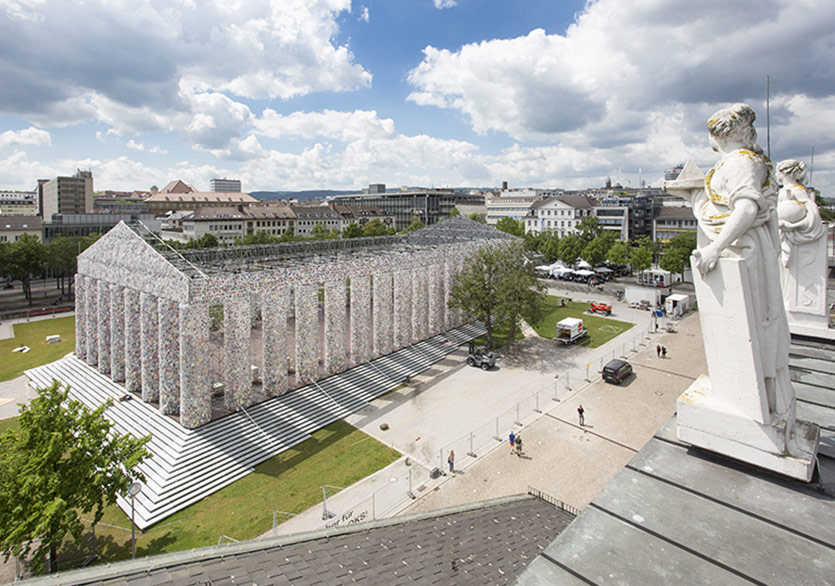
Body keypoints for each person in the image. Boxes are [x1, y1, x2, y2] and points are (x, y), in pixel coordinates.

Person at [690, 103, 794, 423]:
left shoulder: (740, 163)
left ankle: (753, 396)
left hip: (741, 254)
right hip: (740, 251)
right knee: (747, 326)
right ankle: (752, 391)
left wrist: (714, 249)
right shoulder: (742, 161)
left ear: (716, 136)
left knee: (749, 324)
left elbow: (747, 209)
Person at [775, 159, 827, 315]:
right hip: (781, 234)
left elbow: (812, 211)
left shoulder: (797, 190)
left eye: (777, 171)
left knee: (788, 273)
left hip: (789, 234)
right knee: (782, 272)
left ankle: (788, 303)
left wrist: (794, 226)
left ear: (783, 172)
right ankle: (783, 301)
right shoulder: (784, 190)